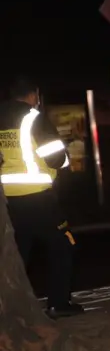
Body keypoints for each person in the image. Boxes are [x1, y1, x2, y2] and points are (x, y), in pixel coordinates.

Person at [0, 77, 83, 318]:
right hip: (38, 196)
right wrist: (66, 161)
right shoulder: (34, 118)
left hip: (7, 200)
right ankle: (58, 303)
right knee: (63, 244)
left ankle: (13, 308)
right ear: (33, 94)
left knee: (19, 252)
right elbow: (55, 158)